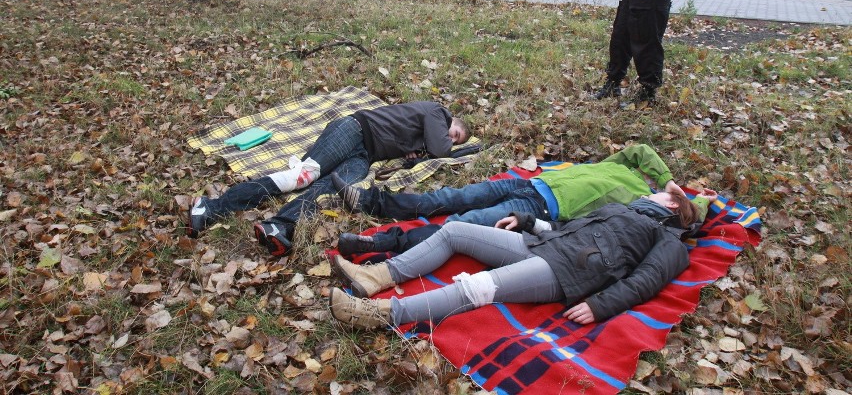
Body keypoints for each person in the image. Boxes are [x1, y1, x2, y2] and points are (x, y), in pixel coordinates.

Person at [328, 192, 702, 330]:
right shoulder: (622, 209)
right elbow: (566, 227)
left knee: (478, 287)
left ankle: (379, 315)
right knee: (456, 230)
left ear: (671, 204)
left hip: (567, 272)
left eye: (660, 192)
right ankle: (375, 275)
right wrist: (528, 222)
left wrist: (602, 305)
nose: (651, 190)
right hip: (544, 246)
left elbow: (647, 281)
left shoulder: (670, 240)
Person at [187, 102, 471, 257]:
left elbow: (429, 147)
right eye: (455, 134)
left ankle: (279, 225)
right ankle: (210, 207)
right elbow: (441, 149)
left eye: (456, 140)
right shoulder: (438, 112)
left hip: (365, 156)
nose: (450, 139)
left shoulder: (428, 131)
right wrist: (446, 146)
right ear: (452, 120)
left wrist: (414, 153)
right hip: (355, 130)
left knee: (328, 189)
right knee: (303, 176)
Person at [332, 144, 711, 256]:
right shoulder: (628, 171)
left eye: (671, 196)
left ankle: (378, 243)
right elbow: (640, 150)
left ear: (672, 205)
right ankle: (370, 203)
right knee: (451, 196)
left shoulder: (637, 205)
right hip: (528, 184)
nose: (662, 189)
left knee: (458, 225)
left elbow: (690, 222)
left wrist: (700, 202)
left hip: (536, 209)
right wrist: (670, 181)